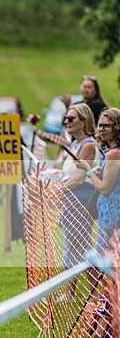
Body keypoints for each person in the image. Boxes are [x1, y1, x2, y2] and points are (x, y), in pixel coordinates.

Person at [57, 103, 99, 299]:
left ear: (83, 121)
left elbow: (79, 178)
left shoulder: (88, 146)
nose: (66, 121)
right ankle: (74, 291)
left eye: (71, 118)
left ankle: (94, 293)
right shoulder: (73, 145)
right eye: (65, 118)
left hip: (81, 198)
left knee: (81, 245)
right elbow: (68, 175)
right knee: (73, 244)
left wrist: (56, 190)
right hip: (70, 198)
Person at [76, 108, 120, 253]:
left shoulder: (114, 154)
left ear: (117, 127)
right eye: (100, 125)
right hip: (109, 212)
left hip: (112, 214)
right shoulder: (112, 152)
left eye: (106, 126)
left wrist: (87, 169)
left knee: (107, 258)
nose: (101, 129)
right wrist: (99, 172)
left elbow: (105, 189)